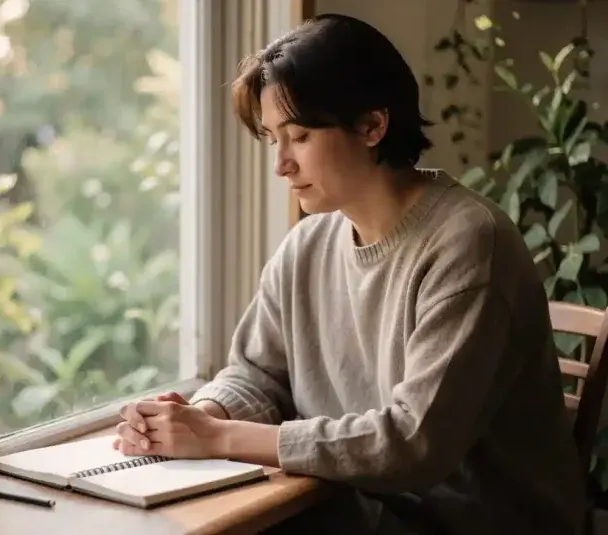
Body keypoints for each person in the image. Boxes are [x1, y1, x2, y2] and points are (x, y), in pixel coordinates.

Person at [112, 13, 587, 535]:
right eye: (273, 138)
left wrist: (219, 439)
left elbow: (413, 443)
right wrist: (201, 413)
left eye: (300, 136)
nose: (281, 165)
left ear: (372, 126)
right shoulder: (308, 243)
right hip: (357, 512)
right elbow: (256, 374)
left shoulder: (470, 243)